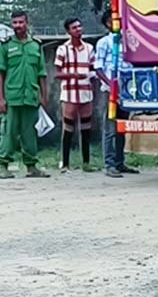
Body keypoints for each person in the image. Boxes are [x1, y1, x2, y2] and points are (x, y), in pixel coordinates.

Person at [0, 11, 50, 179]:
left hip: (31, 96)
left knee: (30, 133)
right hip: (12, 97)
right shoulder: (4, 46)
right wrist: (0, 98)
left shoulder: (36, 45)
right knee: (9, 132)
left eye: (20, 22)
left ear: (27, 23)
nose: (17, 26)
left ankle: (31, 166)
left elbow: (42, 73)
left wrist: (44, 96)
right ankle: (3, 164)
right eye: (15, 23)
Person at [94, 9, 140, 178]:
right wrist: (110, 84)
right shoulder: (104, 42)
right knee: (110, 128)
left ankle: (120, 162)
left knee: (122, 127)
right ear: (108, 23)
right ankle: (109, 163)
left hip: (126, 91)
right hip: (111, 91)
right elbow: (98, 68)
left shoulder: (128, 41)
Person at [53, 17, 96, 171]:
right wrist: (73, 75)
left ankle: (86, 162)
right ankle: (65, 163)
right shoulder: (62, 50)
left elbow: (93, 69)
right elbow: (57, 74)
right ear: (68, 31)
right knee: (68, 128)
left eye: (79, 26)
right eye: (74, 27)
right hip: (70, 92)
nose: (78, 29)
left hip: (86, 91)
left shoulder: (89, 48)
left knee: (86, 127)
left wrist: (90, 76)